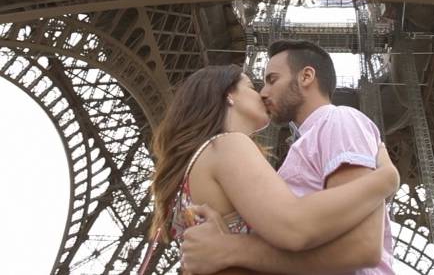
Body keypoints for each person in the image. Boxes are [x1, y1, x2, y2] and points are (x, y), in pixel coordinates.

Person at [149, 62, 399, 274]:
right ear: (229, 94)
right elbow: (295, 226)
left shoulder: (197, 165)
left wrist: (232, 248)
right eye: (251, 86)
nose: (262, 94)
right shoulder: (228, 145)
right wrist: (386, 179)